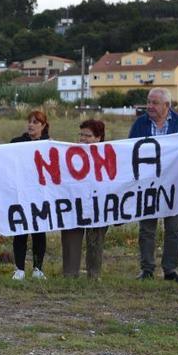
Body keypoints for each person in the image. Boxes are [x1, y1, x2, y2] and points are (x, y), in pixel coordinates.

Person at [128, 88, 178, 282]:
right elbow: (130, 150)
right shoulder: (140, 124)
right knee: (147, 229)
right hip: (147, 185)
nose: (150, 106)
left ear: (167, 106)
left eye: (154, 103)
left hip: (173, 185)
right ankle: (147, 269)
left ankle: (170, 269)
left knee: (173, 229)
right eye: (148, 102)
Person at [61, 119, 110, 279]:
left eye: (87, 135)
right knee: (71, 237)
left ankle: (94, 274)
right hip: (74, 204)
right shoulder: (69, 153)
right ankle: (70, 273)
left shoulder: (108, 155)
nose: (82, 138)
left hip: (98, 204)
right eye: (81, 134)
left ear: (99, 137)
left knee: (96, 239)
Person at [11, 111, 50, 280]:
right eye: (29, 121)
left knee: (39, 232)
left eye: (35, 122)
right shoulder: (16, 143)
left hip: (41, 195)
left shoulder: (49, 144)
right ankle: (19, 269)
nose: (31, 125)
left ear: (43, 125)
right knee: (20, 231)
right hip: (21, 194)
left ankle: (37, 268)